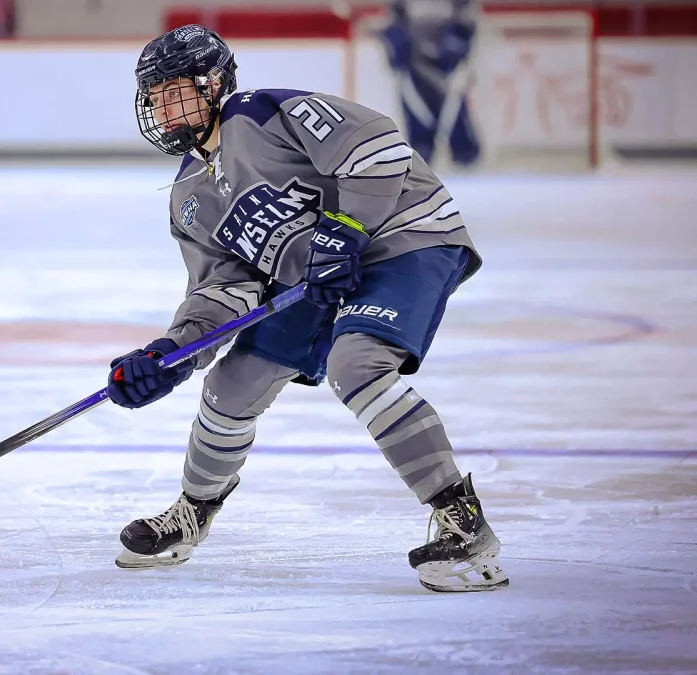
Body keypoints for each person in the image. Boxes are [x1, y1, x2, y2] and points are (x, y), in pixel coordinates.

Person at [105, 24, 506, 592]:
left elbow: (379, 147)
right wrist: (169, 353)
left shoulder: (264, 113)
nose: (166, 108)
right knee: (231, 383)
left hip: (402, 238)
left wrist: (343, 231)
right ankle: (192, 513)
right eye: (156, 96)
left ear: (215, 84)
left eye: (179, 91)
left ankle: (464, 524)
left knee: (357, 364)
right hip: (317, 280)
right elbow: (224, 290)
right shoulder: (189, 197)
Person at [379, 0, 482, 167]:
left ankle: (464, 153)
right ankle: (422, 151)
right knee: (417, 109)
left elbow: (467, 18)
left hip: (448, 62)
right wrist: (398, 48)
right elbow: (394, 20)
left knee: (453, 109)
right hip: (414, 62)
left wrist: (457, 47)